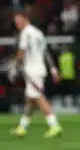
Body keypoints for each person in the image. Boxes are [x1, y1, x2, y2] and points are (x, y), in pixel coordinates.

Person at [9, 10, 62, 138]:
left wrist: (14, 67)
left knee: (38, 97)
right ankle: (22, 127)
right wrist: (53, 69)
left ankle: (54, 125)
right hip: (39, 69)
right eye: (16, 22)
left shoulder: (25, 33)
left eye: (19, 21)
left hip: (32, 70)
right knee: (30, 100)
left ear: (25, 19)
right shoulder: (38, 33)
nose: (17, 24)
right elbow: (46, 52)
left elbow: (21, 52)